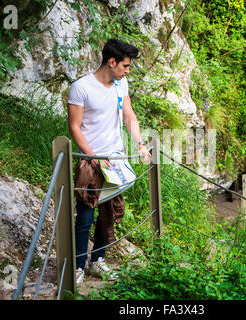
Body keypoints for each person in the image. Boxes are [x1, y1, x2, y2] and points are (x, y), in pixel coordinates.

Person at [67, 39, 151, 284]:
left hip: (115, 162)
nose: (128, 71)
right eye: (125, 66)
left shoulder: (120, 84)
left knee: (109, 215)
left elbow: (129, 116)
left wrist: (140, 144)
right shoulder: (81, 87)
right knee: (85, 217)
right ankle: (77, 266)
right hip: (90, 161)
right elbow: (74, 128)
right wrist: (94, 157)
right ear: (111, 62)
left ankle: (98, 261)